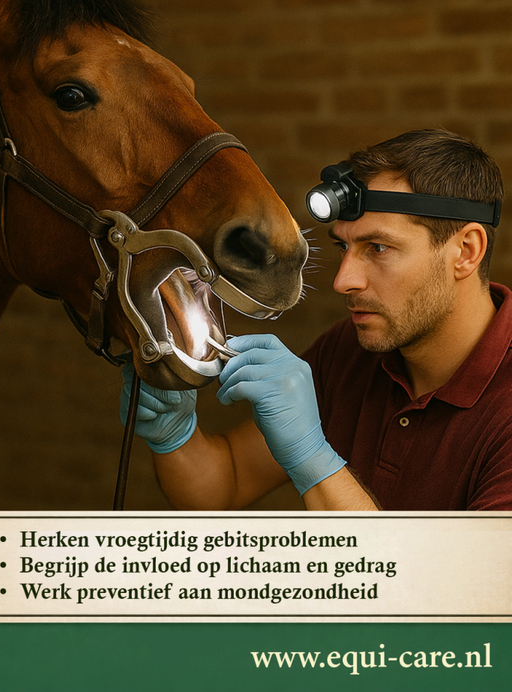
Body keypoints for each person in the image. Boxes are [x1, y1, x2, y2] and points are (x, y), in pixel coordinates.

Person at [121, 129, 512, 510]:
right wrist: (175, 436)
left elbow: (457, 562)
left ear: (466, 251)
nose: (343, 281)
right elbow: (225, 483)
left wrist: (312, 458)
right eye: (343, 246)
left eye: (378, 247)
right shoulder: (348, 351)